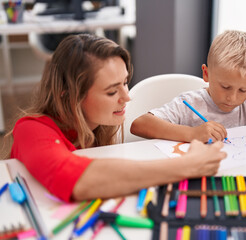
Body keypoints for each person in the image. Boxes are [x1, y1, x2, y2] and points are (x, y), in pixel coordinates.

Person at [8, 34, 227, 202]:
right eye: (112, 92)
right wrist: (188, 165)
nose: (127, 97)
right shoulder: (30, 130)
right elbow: (80, 180)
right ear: (69, 95)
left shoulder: (96, 129)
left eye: (125, 82)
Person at [130, 30, 246, 148]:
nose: (232, 98)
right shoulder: (189, 102)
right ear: (206, 74)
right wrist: (192, 133)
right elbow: (139, 125)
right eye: (225, 87)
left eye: (243, 90)